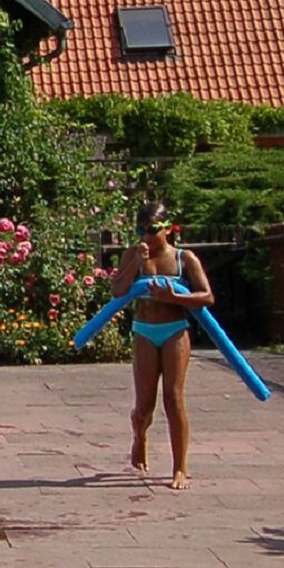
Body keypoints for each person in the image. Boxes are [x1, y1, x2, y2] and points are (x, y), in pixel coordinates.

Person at [115, 201, 214, 490]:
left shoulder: (184, 258)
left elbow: (207, 297)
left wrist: (174, 298)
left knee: (173, 398)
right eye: (140, 230)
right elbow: (117, 291)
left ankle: (180, 468)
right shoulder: (134, 254)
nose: (146, 236)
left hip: (174, 330)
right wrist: (135, 263)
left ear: (168, 229)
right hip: (144, 330)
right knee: (144, 405)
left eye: (152, 230)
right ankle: (140, 436)